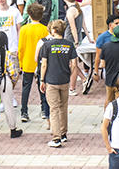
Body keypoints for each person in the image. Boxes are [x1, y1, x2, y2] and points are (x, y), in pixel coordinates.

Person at [39, 19, 77, 148]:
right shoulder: (69, 45)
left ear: (53, 30)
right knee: (63, 107)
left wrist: (42, 80)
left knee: (54, 109)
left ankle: (56, 138)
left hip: (51, 80)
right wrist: (69, 74)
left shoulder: (47, 45)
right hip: (64, 80)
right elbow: (74, 64)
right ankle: (64, 133)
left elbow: (44, 64)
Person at [18, 2, 49, 123]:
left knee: (26, 87)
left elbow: (21, 48)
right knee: (42, 86)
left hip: (27, 61)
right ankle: (43, 110)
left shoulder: (24, 29)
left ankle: (24, 111)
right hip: (41, 62)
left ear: (29, 14)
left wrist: (20, 62)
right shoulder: (45, 29)